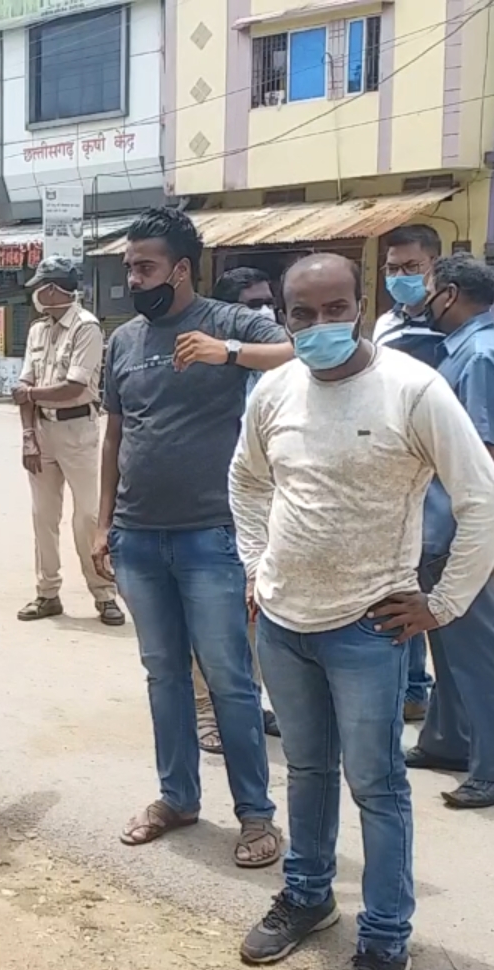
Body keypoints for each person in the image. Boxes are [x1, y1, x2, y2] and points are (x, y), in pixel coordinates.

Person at [230, 253, 494, 970]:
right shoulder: (275, 389)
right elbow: (248, 480)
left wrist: (441, 603)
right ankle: (308, 897)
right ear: (283, 317)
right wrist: (256, 566)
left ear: (360, 305)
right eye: (302, 314)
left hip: (367, 627)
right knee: (308, 771)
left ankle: (385, 940)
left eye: (335, 309)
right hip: (284, 622)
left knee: (378, 786)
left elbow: (485, 499)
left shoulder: (413, 389)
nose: (320, 327)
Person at [90, 207, 291, 868]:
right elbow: (115, 436)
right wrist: (103, 521)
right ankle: (177, 797)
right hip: (139, 538)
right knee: (163, 676)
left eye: (144, 266)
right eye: (128, 266)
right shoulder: (123, 342)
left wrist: (226, 353)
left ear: (181, 268)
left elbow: (301, 350)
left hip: (211, 537)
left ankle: (256, 816)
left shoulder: (226, 321)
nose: (133, 278)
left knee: (231, 680)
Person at [402, 254, 494, 809]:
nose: (418, 299)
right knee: (447, 645)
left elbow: (486, 458)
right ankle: (448, 740)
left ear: (448, 294)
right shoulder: (465, 350)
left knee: (479, 650)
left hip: (457, 531)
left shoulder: (478, 357)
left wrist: (458, 536)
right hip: (439, 528)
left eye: (425, 288)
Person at [196, 266, 284, 749]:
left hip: (264, 512)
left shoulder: (278, 374)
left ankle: (249, 701)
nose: (265, 312)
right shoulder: (207, 365)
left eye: (269, 301)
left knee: (253, 612)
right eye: (253, 305)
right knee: (208, 616)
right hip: (209, 509)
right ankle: (207, 710)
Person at [10, 256, 123, 627]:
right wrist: (28, 436)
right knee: (43, 516)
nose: (36, 296)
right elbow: (24, 388)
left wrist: (29, 396)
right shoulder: (38, 331)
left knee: (89, 516)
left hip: (78, 431)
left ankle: (104, 594)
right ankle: (47, 593)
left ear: (55, 289)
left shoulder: (86, 328)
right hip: (42, 432)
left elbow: (74, 387)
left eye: (40, 289)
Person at [373, 225, 448, 723]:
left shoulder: (453, 326)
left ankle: (422, 688)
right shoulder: (384, 325)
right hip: (390, 470)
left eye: (411, 268)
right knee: (398, 584)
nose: (401, 277)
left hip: (436, 470)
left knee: (430, 586)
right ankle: (408, 686)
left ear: (435, 269)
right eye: (392, 269)